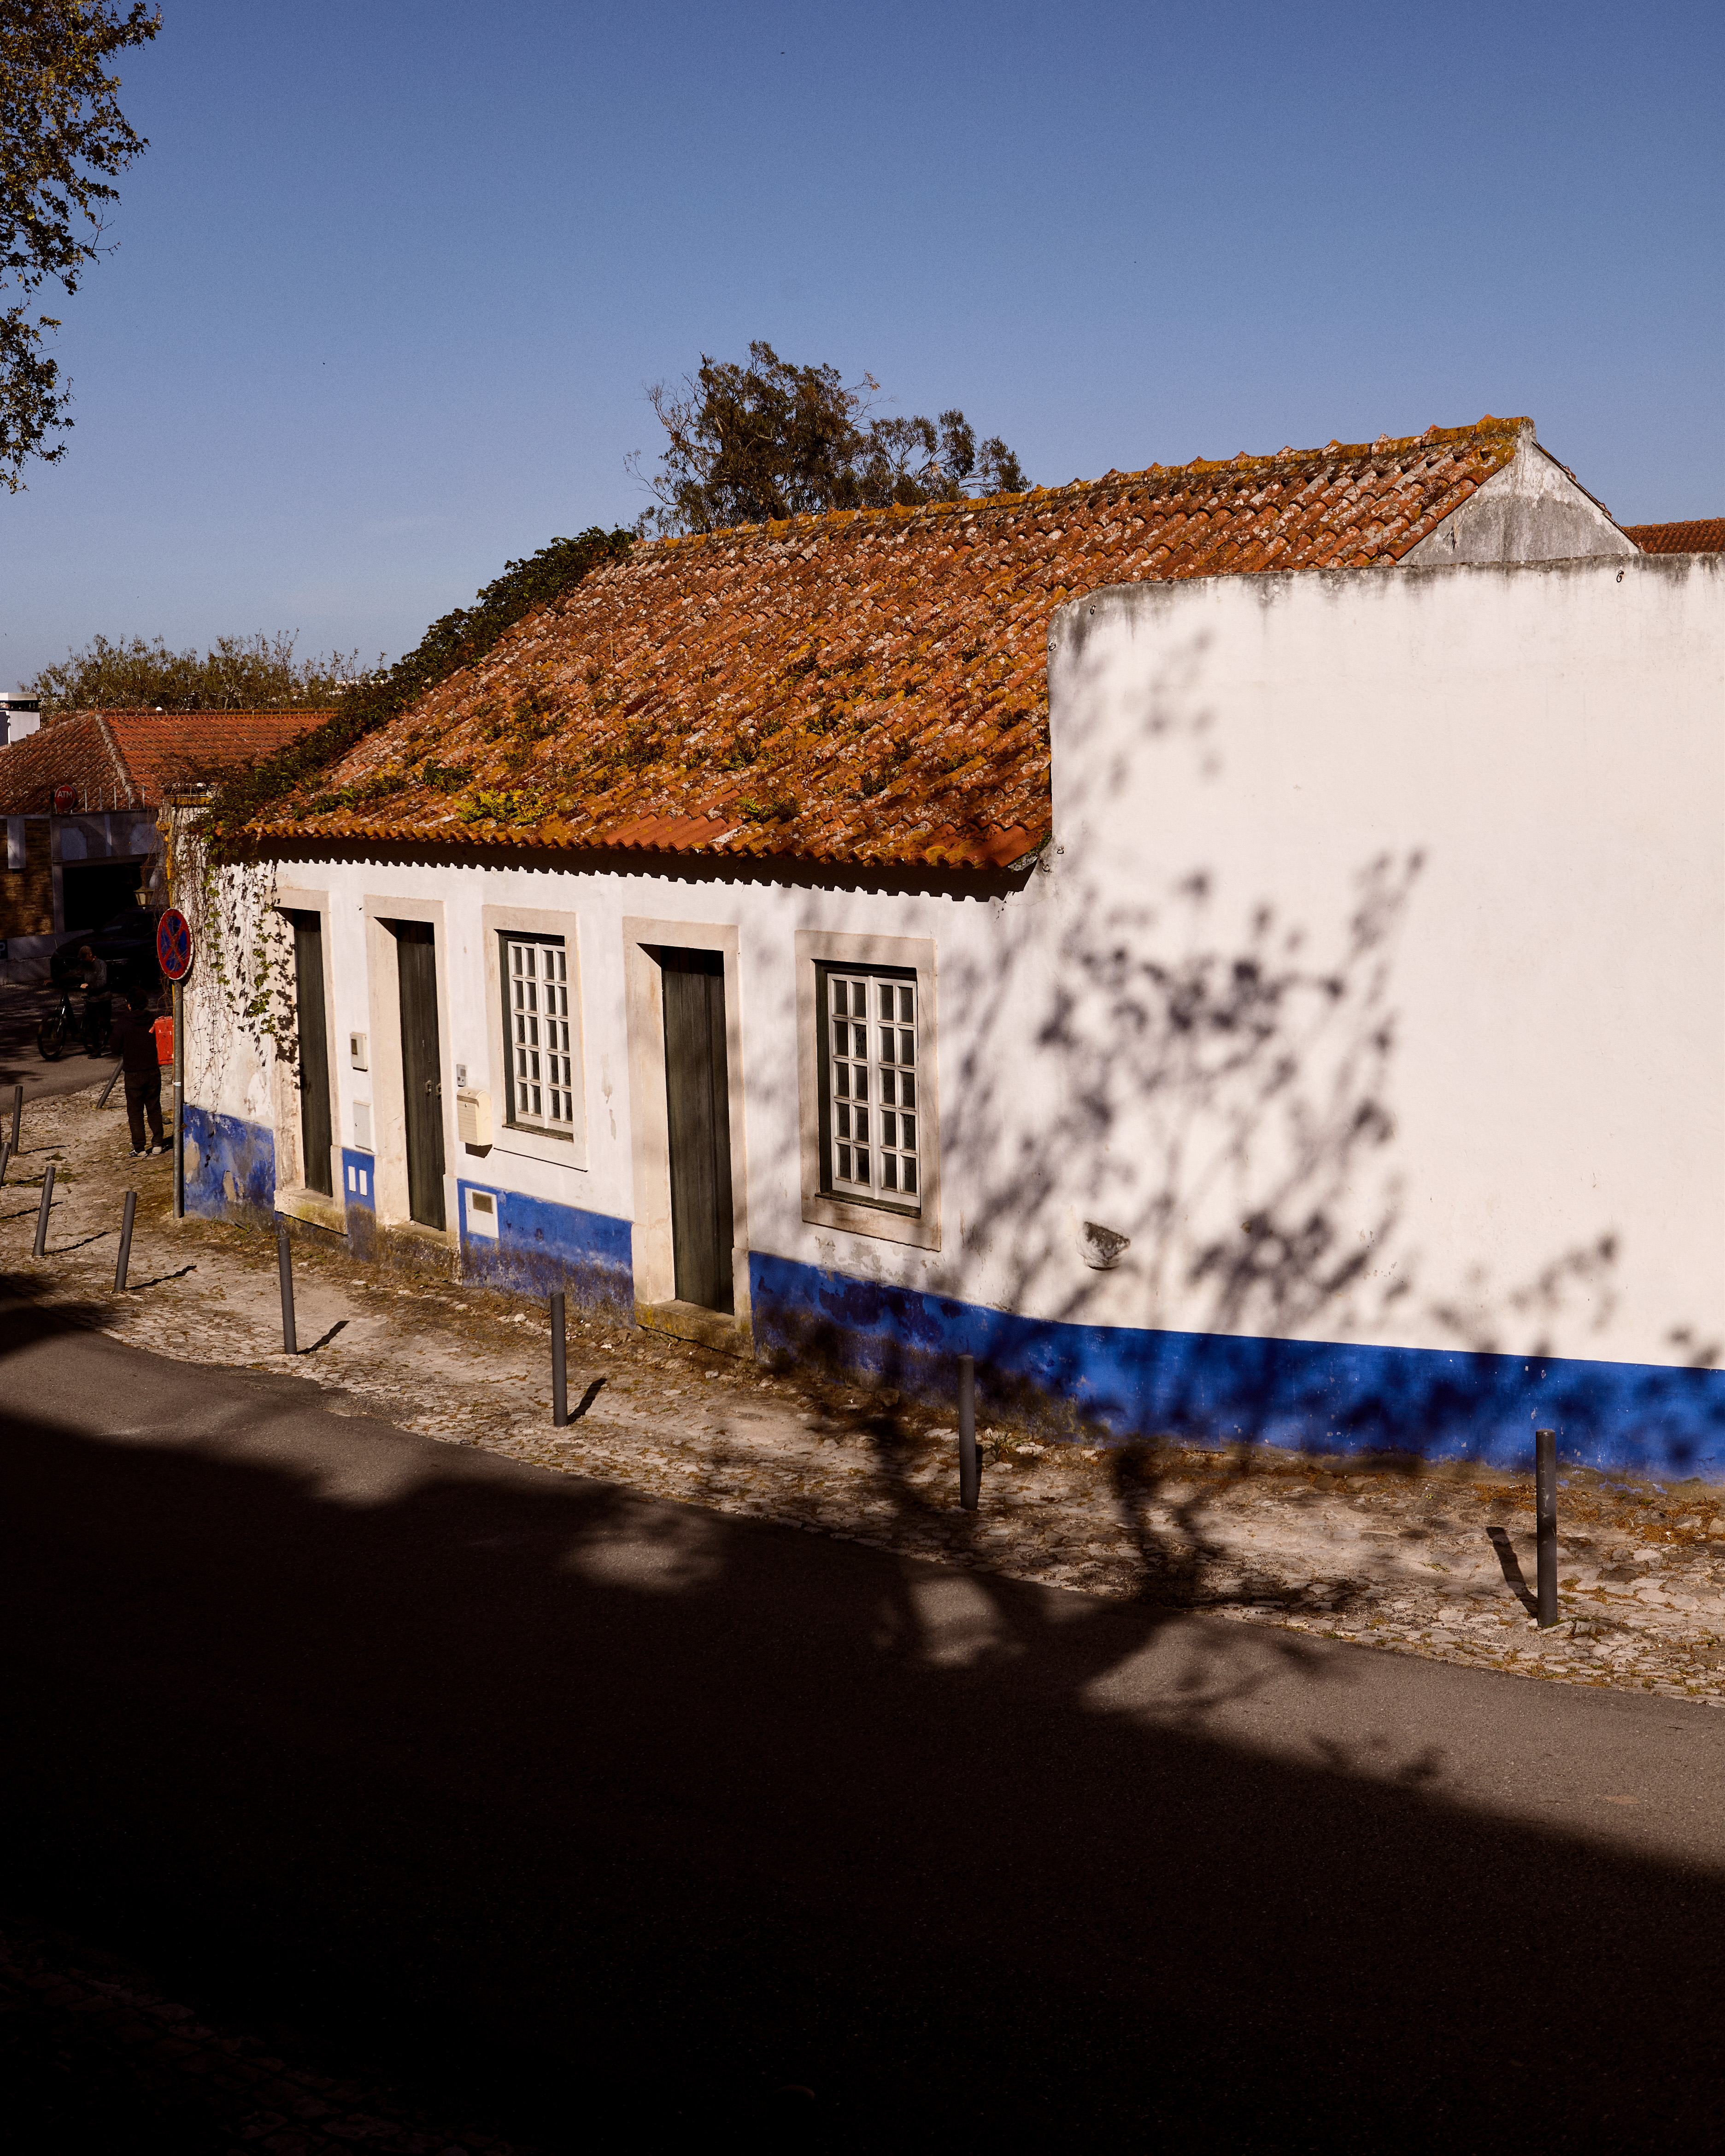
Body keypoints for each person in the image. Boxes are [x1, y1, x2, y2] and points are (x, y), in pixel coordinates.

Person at [110, 992, 166, 1157]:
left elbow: (114, 1048)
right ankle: (158, 1144)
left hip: (133, 1072)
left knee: (135, 1112)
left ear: (129, 1005)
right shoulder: (154, 1020)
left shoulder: (123, 1023)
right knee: (154, 1108)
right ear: (146, 1004)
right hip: (152, 1070)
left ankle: (140, 1148)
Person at [75, 943, 111, 1053]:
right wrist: (56, 980)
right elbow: (73, 974)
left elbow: (102, 981)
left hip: (103, 999)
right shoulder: (85, 965)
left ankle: (118, 1039)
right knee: (92, 1025)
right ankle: (96, 1050)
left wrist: (89, 985)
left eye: (85, 957)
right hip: (92, 999)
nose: (83, 959)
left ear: (90, 954)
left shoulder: (101, 964)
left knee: (104, 1024)